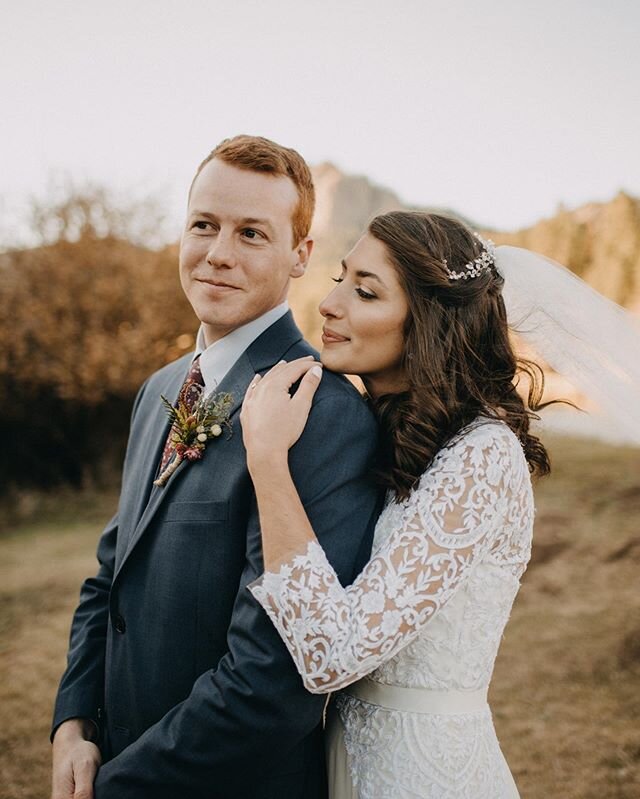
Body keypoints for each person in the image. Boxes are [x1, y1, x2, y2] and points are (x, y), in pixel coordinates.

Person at [50, 135, 382, 799]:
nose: (218, 253)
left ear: (300, 255)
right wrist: (72, 721)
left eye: (252, 233)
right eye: (204, 224)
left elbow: (273, 683)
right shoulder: (161, 388)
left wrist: (118, 786)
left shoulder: (323, 412)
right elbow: (111, 574)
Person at [240, 211, 558, 798]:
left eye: (365, 291)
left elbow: (334, 654)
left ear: (430, 322)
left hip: (423, 772)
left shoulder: (484, 456)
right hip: (339, 758)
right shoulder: (391, 435)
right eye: (340, 278)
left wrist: (266, 459)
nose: (330, 303)